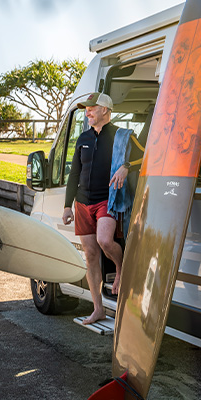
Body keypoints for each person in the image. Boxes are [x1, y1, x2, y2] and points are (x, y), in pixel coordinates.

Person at [63, 93, 132, 325]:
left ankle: (121, 269)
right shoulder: (83, 137)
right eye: (86, 109)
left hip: (107, 199)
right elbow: (74, 173)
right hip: (83, 202)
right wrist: (67, 206)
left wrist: (126, 167)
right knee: (91, 255)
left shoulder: (121, 136)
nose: (87, 112)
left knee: (105, 241)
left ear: (105, 110)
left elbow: (147, 157)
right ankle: (98, 308)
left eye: (91, 108)